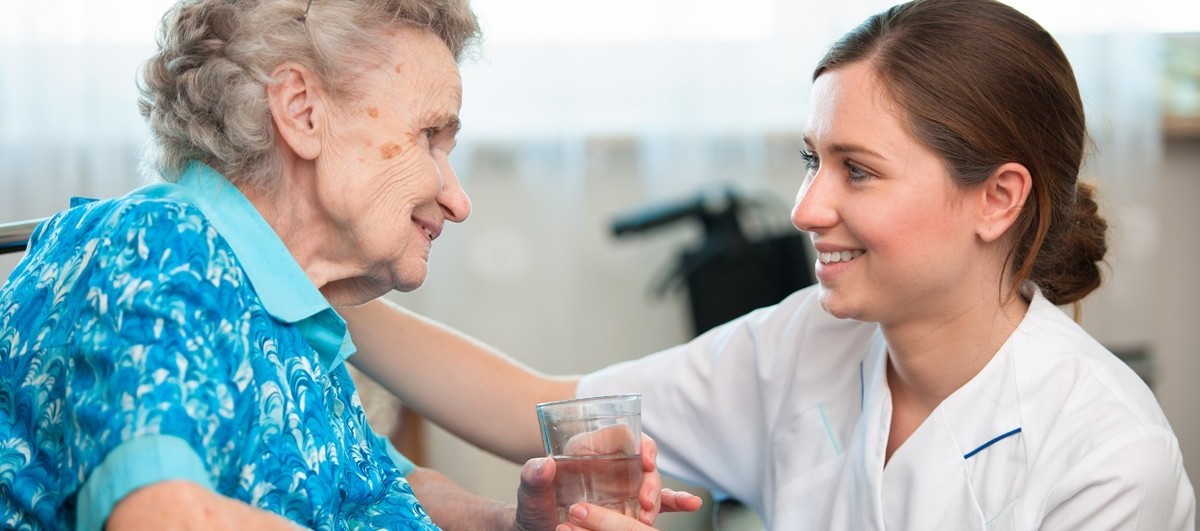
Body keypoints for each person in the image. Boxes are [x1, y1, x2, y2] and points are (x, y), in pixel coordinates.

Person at [341, 0, 1197, 529]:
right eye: (811, 160)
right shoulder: (810, 341)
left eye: (857, 170)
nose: (806, 209)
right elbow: (545, 405)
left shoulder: (1107, 460)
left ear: (998, 198)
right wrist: (315, 287)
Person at [0, 0, 698, 529]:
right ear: (302, 112)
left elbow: (378, 486)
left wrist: (513, 522)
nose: (457, 200)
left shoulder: (287, 312)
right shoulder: (153, 245)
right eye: (429, 136)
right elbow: (163, 514)